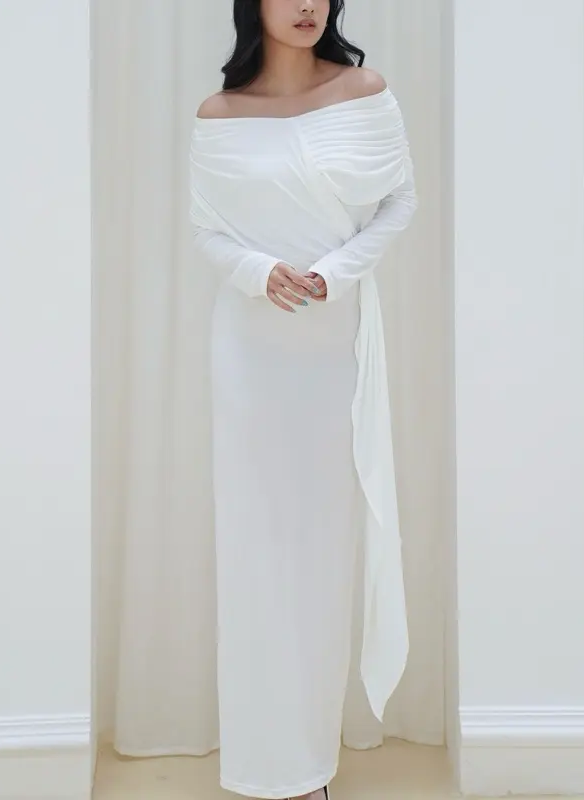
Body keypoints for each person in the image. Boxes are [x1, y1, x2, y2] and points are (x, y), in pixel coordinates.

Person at [189, 1, 417, 798]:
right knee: (253, 551)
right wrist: (259, 272)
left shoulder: (364, 91)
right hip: (249, 354)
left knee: (320, 550)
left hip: (332, 350)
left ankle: (309, 766)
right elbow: (207, 230)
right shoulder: (220, 113)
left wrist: (333, 273)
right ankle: (261, 767)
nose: (306, 4)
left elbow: (400, 203)